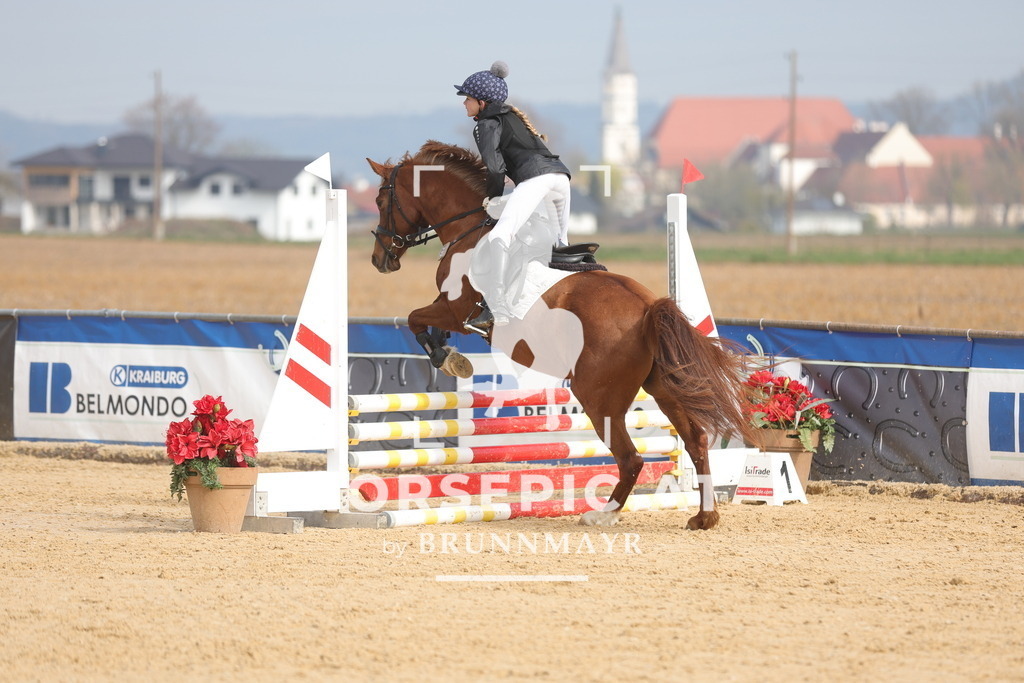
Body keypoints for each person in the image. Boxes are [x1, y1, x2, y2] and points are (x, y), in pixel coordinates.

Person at [454, 61, 572, 332]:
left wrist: (490, 198)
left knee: (499, 236)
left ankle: (497, 308)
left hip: (536, 179)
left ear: (482, 103)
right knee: (559, 244)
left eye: (468, 98)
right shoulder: (512, 116)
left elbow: (495, 168)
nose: (464, 103)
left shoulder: (486, 123)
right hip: (560, 178)